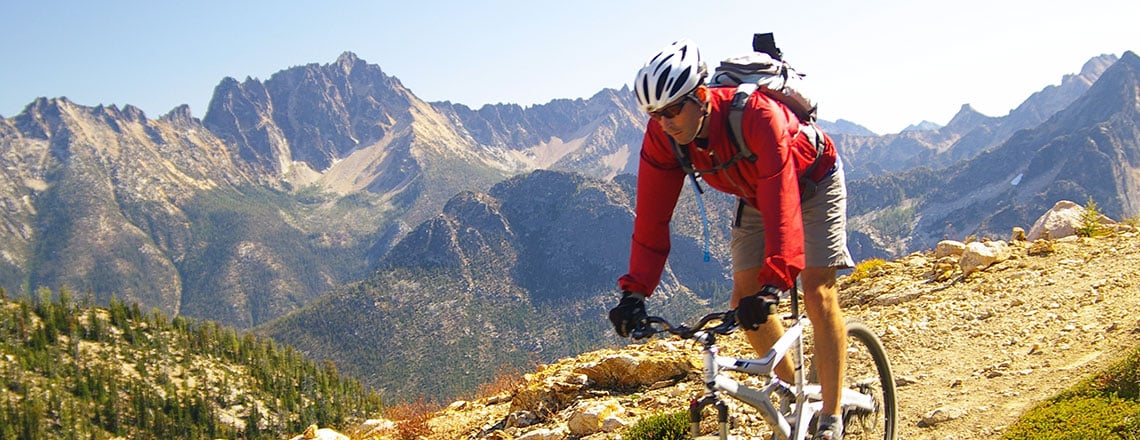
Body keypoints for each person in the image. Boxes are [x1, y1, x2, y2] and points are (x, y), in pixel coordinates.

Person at [608, 38, 855, 440]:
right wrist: (634, 293)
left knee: (816, 290)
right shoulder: (663, 138)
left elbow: (783, 202)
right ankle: (795, 397)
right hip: (755, 192)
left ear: (701, 96)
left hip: (813, 182)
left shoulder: (757, 116)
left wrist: (775, 282)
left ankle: (830, 417)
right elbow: (652, 220)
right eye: (654, 114)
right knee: (743, 299)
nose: (665, 122)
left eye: (672, 110)